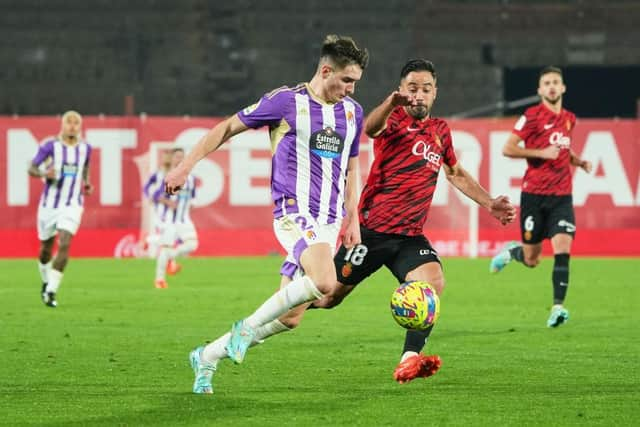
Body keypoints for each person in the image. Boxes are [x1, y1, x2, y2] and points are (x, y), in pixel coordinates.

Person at [274, 59, 516, 383]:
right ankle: (286, 305)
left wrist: (489, 202)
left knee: (432, 285)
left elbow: (455, 172)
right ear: (402, 90)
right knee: (329, 297)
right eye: (412, 88)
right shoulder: (393, 120)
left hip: (409, 237)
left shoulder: (440, 130)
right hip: (370, 232)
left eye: (426, 89)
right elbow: (371, 128)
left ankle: (409, 359)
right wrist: (391, 103)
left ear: (435, 93)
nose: (419, 95)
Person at [164, 34, 369, 394]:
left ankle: (207, 355)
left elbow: (352, 166)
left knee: (290, 319)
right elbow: (226, 127)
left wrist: (352, 218)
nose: (351, 89)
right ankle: (245, 328)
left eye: (356, 82)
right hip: (293, 211)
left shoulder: (353, 113)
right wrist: (185, 166)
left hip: (329, 221)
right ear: (326, 70)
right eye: (347, 80)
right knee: (324, 282)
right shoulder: (286, 102)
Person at [490, 66, 592, 328]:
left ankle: (558, 307)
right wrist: (540, 153)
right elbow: (508, 148)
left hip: (562, 197)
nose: (551, 87)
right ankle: (514, 252)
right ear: (539, 90)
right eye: (546, 83)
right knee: (532, 259)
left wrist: (578, 162)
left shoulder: (570, 118)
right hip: (534, 195)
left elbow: (563, 149)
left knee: (562, 248)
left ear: (563, 87)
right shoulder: (532, 116)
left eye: (556, 82)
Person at [28, 110, 93, 308]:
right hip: (49, 205)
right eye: (69, 122)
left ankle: (51, 291)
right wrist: (44, 173)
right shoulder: (50, 147)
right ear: (62, 125)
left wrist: (87, 183)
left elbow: (85, 168)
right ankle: (46, 281)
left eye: (76, 122)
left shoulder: (86, 148)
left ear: (80, 126)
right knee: (45, 250)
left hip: (73, 204)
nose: (72, 125)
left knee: (65, 243)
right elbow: (31, 168)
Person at [152, 148, 199, 289]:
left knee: (193, 244)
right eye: (177, 157)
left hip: (184, 219)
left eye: (182, 157)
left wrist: (191, 204)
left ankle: (169, 256)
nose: (179, 159)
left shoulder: (191, 178)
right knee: (166, 246)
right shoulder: (168, 177)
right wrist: (168, 202)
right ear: (172, 159)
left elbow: (193, 197)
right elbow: (156, 196)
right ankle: (159, 280)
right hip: (169, 220)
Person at [142, 149, 172, 259]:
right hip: (160, 206)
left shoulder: (175, 172)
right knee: (164, 230)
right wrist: (150, 197)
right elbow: (146, 187)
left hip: (173, 206)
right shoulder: (158, 174)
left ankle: (150, 241)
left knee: (169, 232)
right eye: (165, 156)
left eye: (169, 156)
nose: (167, 159)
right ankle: (156, 253)